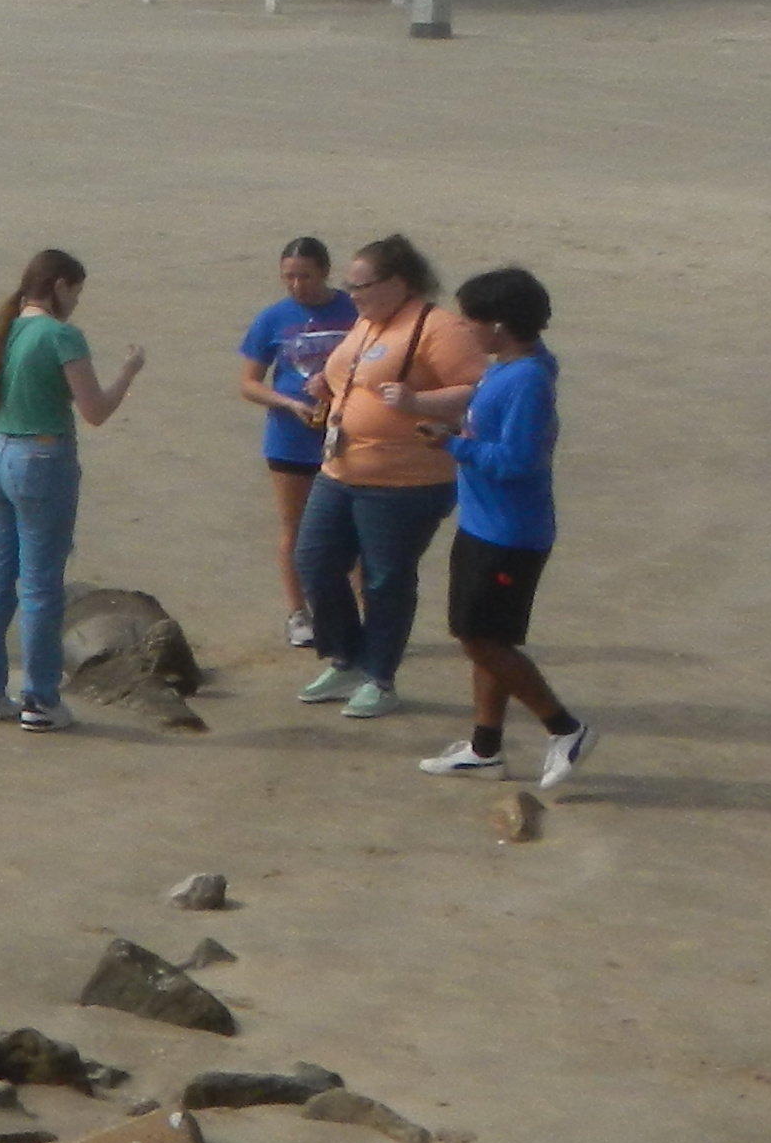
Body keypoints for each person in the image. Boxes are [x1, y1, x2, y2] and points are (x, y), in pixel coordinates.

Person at [393, 266, 594, 784]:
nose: (465, 330)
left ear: (499, 325)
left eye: (472, 320)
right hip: (487, 525)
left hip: (508, 533)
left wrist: (451, 443)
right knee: (483, 637)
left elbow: (517, 461)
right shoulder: (516, 366)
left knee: (482, 640)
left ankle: (564, 727)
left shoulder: (526, 379)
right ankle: (485, 749)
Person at [0, 246, 145, 730]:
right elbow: (95, 410)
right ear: (59, 285)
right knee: (40, 584)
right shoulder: (62, 336)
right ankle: (39, 699)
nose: (77, 301)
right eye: (76, 290)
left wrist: (6, 424)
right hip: (42, 458)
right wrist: (129, 371)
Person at [292, 232, 480, 719]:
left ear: (398, 282)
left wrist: (418, 403)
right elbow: (351, 375)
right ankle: (345, 656)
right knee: (314, 561)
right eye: (350, 286)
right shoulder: (368, 323)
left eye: (362, 286)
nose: (352, 296)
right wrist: (326, 386)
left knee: (384, 579)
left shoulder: (440, 328)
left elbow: (479, 388)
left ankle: (380, 675)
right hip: (340, 468)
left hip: (405, 482)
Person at [234, 235, 354, 650]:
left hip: (346, 434)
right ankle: (299, 613)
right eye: (289, 277)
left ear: (325, 272)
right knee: (295, 528)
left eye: (305, 276)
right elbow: (249, 384)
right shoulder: (273, 319)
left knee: (352, 528)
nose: (297, 285)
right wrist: (288, 402)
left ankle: (361, 613)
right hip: (291, 439)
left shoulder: (353, 312)